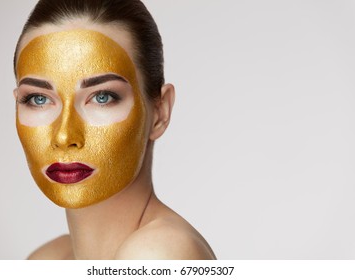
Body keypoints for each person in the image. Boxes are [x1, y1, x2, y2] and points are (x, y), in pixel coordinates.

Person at [13, 0, 216, 260]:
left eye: (102, 97)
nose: (64, 136)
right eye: (38, 99)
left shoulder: (159, 254)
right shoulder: (48, 260)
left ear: (160, 112)